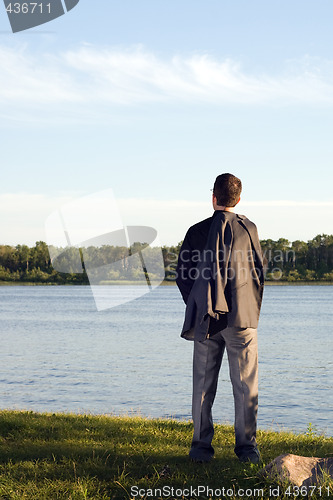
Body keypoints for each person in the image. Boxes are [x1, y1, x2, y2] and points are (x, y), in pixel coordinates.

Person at [176, 173, 264, 464]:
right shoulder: (248, 229)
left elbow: (183, 276)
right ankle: (247, 450)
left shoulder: (196, 231)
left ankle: (201, 450)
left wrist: (200, 304)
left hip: (206, 319)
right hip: (242, 318)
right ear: (238, 199)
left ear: (213, 197)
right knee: (245, 385)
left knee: (202, 385)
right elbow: (258, 274)